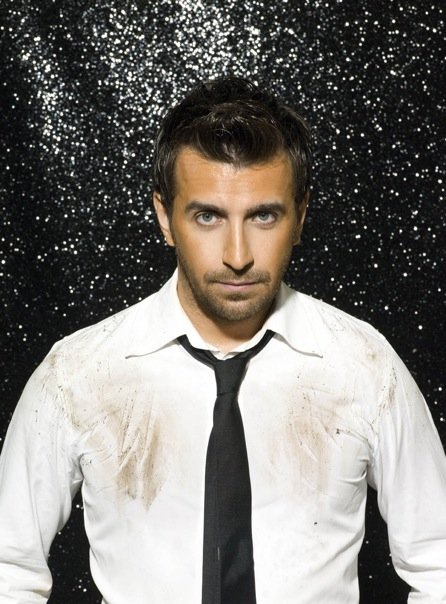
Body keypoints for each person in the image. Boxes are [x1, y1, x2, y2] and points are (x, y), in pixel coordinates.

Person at [0, 75, 445, 604]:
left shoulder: (365, 365)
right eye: (207, 216)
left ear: (300, 216)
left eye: (264, 216)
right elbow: (8, 567)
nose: (238, 255)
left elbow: (438, 561)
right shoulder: (75, 374)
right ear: (165, 217)